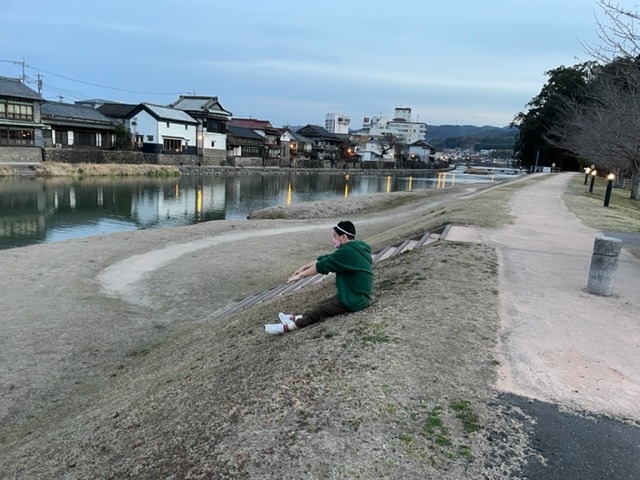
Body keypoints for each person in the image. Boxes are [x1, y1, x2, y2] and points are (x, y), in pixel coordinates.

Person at [264, 220, 373, 335]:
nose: (333, 239)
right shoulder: (355, 248)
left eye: (335, 236)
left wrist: (299, 276)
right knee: (323, 304)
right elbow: (326, 258)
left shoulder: (347, 252)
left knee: (319, 310)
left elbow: (321, 266)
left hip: (355, 301)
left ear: (344, 237)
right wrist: (304, 267)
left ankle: (287, 327)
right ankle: (296, 318)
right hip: (356, 296)